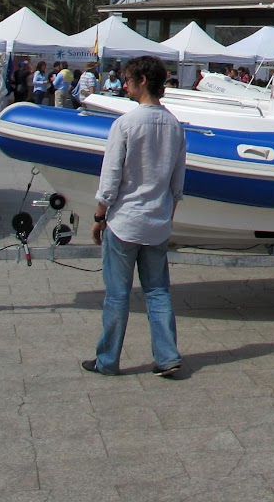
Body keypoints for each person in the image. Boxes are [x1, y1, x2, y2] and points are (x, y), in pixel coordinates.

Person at [84, 55, 186, 378]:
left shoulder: (125, 125)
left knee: (117, 295)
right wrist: (167, 218)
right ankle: (167, 355)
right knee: (158, 292)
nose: (123, 83)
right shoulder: (175, 126)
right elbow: (176, 185)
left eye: (127, 79)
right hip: (156, 224)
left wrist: (99, 216)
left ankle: (108, 359)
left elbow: (110, 178)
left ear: (142, 81)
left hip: (124, 222)